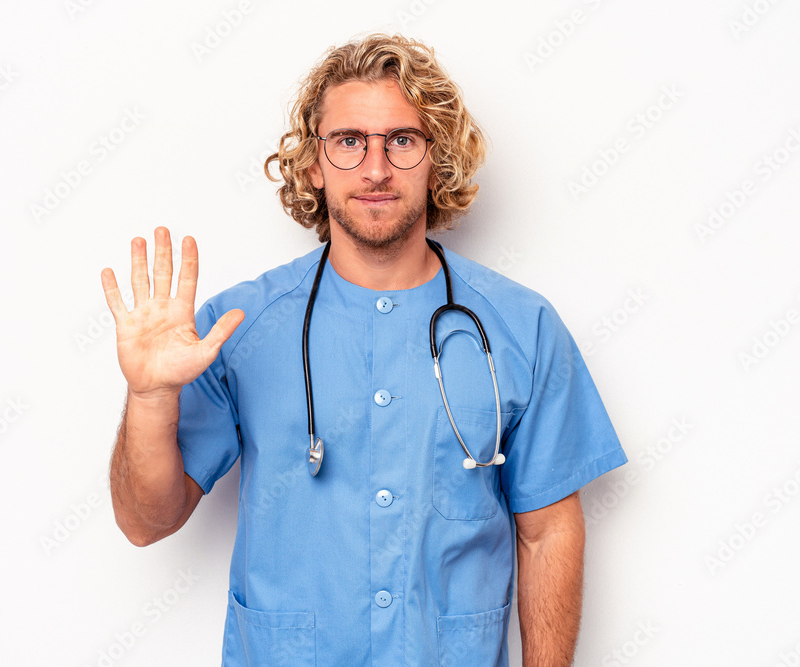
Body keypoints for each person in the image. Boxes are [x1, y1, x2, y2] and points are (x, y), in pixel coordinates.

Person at [101, 33, 627, 667]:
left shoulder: (523, 327)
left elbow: (547, 535)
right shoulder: (236, 328)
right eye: (349, 141)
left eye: (402, 141)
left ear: (438, 159)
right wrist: (150, 396)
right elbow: (146, 521)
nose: (376, 169)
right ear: (313, 164)